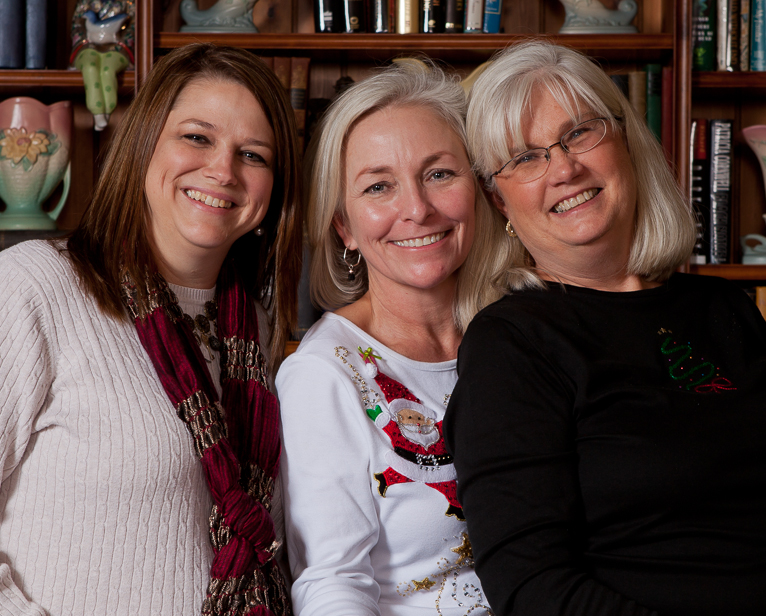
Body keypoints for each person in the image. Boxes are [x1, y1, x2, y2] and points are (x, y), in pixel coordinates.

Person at [444, 40, 766, 616]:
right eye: (525, 157)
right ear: (498, 202)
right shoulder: (511, 345)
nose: (565, 168)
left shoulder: (725, 308)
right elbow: (534, 589)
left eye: (580, 133)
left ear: (626, 142)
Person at [0, 43, 302, 616]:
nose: (223, 170)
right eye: (197, 136)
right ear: (143, 147)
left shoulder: (255, 331)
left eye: (254, 154)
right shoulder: (36, 286)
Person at [276, 60, 497, 615]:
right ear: (344, 226)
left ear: (479, 189)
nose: (417, 209)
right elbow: (333, 584)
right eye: (379, 186)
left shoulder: (519, 334)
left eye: (440, 173)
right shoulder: (325, 373)